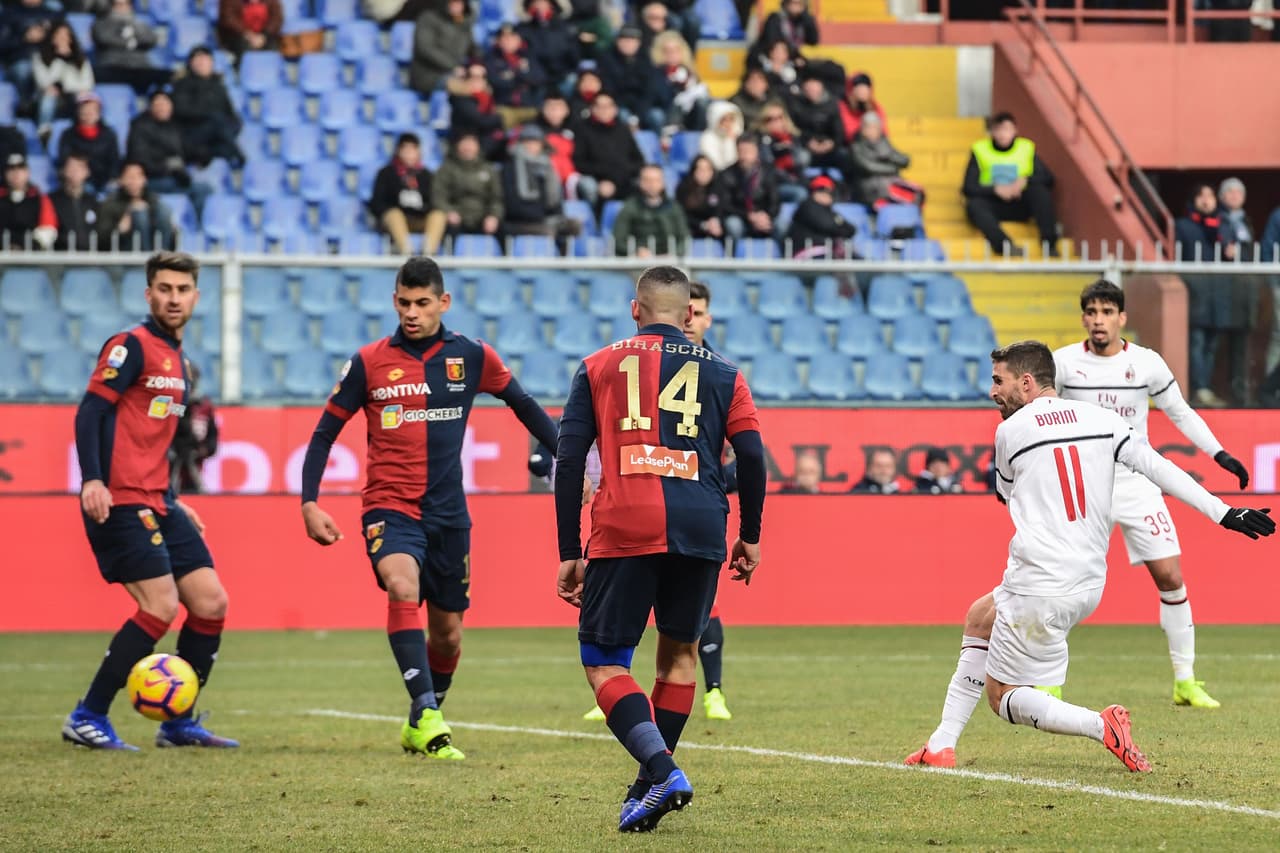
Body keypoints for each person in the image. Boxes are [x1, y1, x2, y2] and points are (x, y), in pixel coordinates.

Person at [903, 340, 1272, 772]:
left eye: (998, 381)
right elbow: (1158, 467)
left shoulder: (1009, 432)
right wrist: (1224, 512)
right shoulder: (1104, 420)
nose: (992, 392)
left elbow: (1004, 495)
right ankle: (941, 745)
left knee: (1002, 697)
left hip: (1039, 581)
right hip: (1089, 580)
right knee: (980, 617)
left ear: (1027, 383)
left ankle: (1102, 725)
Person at [301, 257, 559, 760]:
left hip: (449, 515)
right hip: (389, 506)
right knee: (402, 584)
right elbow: (322, 435)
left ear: (443, 302)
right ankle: (427, 712)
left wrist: (570, 459)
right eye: (403, 303)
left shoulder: (473, 356)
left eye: (422, 303)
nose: (412, 313)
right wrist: (310, 501)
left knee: (447, 632)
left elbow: (525, 406)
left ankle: (423, 714)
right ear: (394, 301)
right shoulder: (369, 362)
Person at [554, 265, 766, 832]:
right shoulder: (726, 372)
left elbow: (569, 460)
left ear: (635, 309)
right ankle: (647, 787)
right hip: (701, 524)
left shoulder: (597, 365)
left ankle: (661, 770)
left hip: (625, 523)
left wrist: (568, 548)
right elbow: (751, 455)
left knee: (603, 659)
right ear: (689, 313)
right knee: (678, 655)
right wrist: (751, 534)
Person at [64, 251, 238, 751]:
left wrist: (174, 498)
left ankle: (178, 722)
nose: (174, 298)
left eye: (183, 290)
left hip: (158, 499)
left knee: (210, 602)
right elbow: (91, 412)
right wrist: (93, 480)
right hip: (118, 499)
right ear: (149, 294)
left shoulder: (181, 362)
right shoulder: (130, 346)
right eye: (164, 289)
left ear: (196, 297)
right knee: (160, 606)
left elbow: (152, 438)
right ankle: (87, 714)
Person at [1054, 280, 1250, 705]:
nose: (1098, 320)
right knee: (1068, 581)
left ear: (1122, 318)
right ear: (1083, 318)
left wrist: (1219, 453)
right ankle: (1048, 680)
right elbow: (1040, 415)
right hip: (1085, 486)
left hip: (1136, 482)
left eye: (1107, 312)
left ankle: (1185, 681)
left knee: (1170, 576)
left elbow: (1180, 411)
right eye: (1091, 312)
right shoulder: (1064, 364)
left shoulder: (1146, 363)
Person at [962, 111, 1059, 257]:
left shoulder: (1026, 148)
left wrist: (1024, 181)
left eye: (1007, 129)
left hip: (1021, 203)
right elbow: (968, 187)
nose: (1003, 134)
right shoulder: (980, 150)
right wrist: (995, 190)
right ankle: (1005, 246)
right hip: (993, 204)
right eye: (999, 130)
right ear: (992, 132)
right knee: (974, 205)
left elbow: (1048, 178)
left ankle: (1049, 244)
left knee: (1040, 193)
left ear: (1015, 131)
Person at [1174, 183, 1230, 408]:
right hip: (1196, 292)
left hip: (1218, 294)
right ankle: (1199, 388)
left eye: (1210, 195)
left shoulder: (1223, 226)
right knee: (1196, 342)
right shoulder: (1183, 226)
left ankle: (1205, 386)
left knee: (1211, 345)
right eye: (1201, 195)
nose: (1206, 200)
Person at [126, 87, 212, 218]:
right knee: (201, 189)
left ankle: (198, 229)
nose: (162, 107)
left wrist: (202, 155)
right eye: (158, 104)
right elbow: (139, 158)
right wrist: (169, 167)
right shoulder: (140, 126)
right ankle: (199, 227)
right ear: (150, 107)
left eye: (165, 103)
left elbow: (186, 151)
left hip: (174, 176)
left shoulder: (174, 126)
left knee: (206, 187)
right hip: (150, 179)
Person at [1212, 176, 1259, 406]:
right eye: (1229, 192)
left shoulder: (1245, 222)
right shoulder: (1217, 219)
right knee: (1216, 344)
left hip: (1243, 293)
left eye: (1238, 193)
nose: (1234, 197)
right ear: (1222, 196)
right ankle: (1210, 392)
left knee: (1241, 346)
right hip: (1221, 290)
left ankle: (1239, 393)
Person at [424, 131, 503, 255]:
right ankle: (448, 263)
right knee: (449, 230)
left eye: (472, 143)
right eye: (465, 143)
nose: (468, 147)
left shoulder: (488, 169)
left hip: (482, 217)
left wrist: (494, 216)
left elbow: (496, 198)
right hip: (457, 216)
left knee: (503, 229)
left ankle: (506, 266)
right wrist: (449, 211)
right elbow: (438, 195)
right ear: (458, 146)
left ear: (477, 146)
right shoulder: (446, 169)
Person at [501, 124, 580, 246]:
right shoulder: (511, 167)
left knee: (574, 226)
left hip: (544, 218)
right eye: (528, 142)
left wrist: (557, 216)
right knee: (546, 231)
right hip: (519, 221)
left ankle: (567, 263)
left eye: (536, 142)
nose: (532, 146)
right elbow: (511, 202)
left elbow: (555, 199)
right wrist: (540, 216)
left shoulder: (548, 166)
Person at [170, 47, 244, 168]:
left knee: (228, 122)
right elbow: (181, 110)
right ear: (191, 64)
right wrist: (207, 113)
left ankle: (218, 152)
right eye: (197, 61)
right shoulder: (182, 85)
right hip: (193, 132)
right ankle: (236, 154)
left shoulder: (219, 86)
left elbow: (229, 112)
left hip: (218, 133)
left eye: (205, 60)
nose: (201, 63)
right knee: (216, 119)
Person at [572, 92, 645, 209]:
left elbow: (639, 160)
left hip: (625, 178)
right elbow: (579, 162)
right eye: (599, 106)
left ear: (615, 109)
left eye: (608, 106)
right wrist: (602, 178)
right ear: (592, 109)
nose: (604, 110)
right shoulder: (583, 130)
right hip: (599, 180)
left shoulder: (623, 130)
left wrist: (623, 174)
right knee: (592, 188)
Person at [369, 132, 434, 256]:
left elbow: (433, 201)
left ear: (418, 152)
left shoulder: (427, 176)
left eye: (413, 149)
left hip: (420, 218)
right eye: (406, 149)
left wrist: (421, 209)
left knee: (438, 215)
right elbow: (377, 203)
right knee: (394, 214)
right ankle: (407, 252)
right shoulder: (386, 173)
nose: (409, 154)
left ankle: (428, 253)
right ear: (398, 151)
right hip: (395, 220)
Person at [31, 21, 96, 140]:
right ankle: (44, 131)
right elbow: (43, 81)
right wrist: (59, 59)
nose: (62, 39)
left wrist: (68, 60)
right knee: (48, 97)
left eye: (65, 35)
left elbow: (88, 82)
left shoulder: (79, 58)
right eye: (58, 35)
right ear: (52, 37)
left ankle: (80, 130)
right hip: (51, 95)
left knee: (83, 97)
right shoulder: (41, 56)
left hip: (72, 94)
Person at [597, 25, 668, 133]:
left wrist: (637, 116)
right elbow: (608, 89)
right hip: (618, 104)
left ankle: (661, 146)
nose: (627, 44)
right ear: (617, 41)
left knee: (657, 116)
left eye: (632, 40)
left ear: (638, 43)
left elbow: (650, 91)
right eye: (624, 39)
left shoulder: (646, 60)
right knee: (622, 116)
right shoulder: (606, 59)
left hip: (642, 106)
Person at [92, 0, 171, 93]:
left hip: (139, 68)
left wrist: (132, 27)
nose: (123, 8)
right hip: (114, 67)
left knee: (169, 76)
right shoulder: (102, 23)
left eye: (127, 4)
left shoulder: (139, 24)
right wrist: (132, 42)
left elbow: (152, 39)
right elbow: (104, 39)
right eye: (119, 5)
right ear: (111, 6)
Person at [612, 163, 689, 257]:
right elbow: (618, 240)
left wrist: (673, 254)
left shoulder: (674, 207)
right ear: (640, 182)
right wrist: (637, 251)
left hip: (670, 262)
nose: (652, 184)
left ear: (663, 182)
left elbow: (684, 238)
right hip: (638, 263)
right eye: (647, 180)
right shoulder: (630, 206)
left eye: (656, 180)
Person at [96, 160, 174, 251]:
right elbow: (101, 240)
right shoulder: (110, 204)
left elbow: (170, 238)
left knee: (164, 211)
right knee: (139, 214)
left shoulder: (154, 201)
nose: (134, 181)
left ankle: (161, 259)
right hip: (125, 254)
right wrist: (120, 229)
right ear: (121, 180)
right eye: (130, 177)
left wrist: (171, 228)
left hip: (154, 250)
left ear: (144, 179)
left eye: (138, 176)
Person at [848, 111, 921, 210]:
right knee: (886, 187)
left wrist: (890, 155)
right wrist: (893, 168)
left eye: (876, 127)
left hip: (888, 183)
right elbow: (868, 167)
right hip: (867, 188)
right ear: (863, 129)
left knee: (916, 193)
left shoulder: (884, 144)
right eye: (869, 127)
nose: (872, 131)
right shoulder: (856, 147)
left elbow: (905, 161)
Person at [483, 22, 547, 128]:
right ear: (498, 41)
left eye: (512, 38)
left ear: (519, 40)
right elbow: (496, 82)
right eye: (504, 38)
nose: (508, 41)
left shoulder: (528, 57)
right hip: (504, 108)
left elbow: (539, 79)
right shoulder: (492, 60)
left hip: (529, 107)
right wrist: (522, 76)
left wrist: (519, 74)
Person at [57, 91, 122, 195]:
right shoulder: (68, 135)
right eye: (84, 109)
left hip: (105, 179)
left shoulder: (109, 134)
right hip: (81, 180)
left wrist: (112, 178)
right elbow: (65, 161)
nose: (88, 113)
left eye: (92, 109)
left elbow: (114, 160)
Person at [169, 359, 218, 494]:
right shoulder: (174, 404)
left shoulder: (205, 406)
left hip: (195, 463)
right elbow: (170, 427)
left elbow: (212, 434)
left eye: (193, 379)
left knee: (197, 492)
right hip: (173, 464)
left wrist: (206, 449)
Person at [721, 134, 781, 242]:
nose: (744, 156)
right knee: (733, 225)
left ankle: (782, 257)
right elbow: (726, 205)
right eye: (741, 151)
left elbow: (775, 200)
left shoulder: (768, 171)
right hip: (741, 217)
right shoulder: (727, 174)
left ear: (757, 152)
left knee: (782, 224)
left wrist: (766, 216)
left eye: (748, 151)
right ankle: (735, 256)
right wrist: (748, 216)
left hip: (764, 216)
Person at [410, 0, 475, 97]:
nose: (456, 5)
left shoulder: (464, 23)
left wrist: (477, 65)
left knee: (484, 85)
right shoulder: (428, 18)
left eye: (460, 2)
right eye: (453, 2)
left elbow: (473, 49)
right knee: (467, 89)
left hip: (457, 73)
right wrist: (453, 67)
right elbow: (425, 49)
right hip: (428, 75)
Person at [445, 62, 507, 162]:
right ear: (465, 78)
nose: (477, 80)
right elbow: (480, 121)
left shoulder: (488, 99)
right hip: (465, 144)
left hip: (484, 144)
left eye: (482, 76)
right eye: (472, 76)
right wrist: (500, 118)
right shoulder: (460, 98)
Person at [783, 174, 855, 258]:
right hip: (805, 253)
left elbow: (851, 229)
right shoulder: (807, 206)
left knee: (859, 261)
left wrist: (836, 224)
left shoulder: (831, 212)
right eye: (821, 190)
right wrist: (838, 225)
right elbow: (825, 225)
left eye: (829, 192)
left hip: (827, 252)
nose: (825, 194)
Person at [0, 151, 59, 250]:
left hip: (31, 256)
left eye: (20, 169)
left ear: (27, 172)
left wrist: (28, 246)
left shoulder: (39, 199)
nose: (16, 174)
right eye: (11, 169)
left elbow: (48, 228)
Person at [651, 30, 708, 132]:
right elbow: (658, 99)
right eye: (668, 51)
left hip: (691, 115)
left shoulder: (690, 72)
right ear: (660, 53)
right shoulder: (656, 73)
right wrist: (674, 86)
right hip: (667, 112)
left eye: (676, 50)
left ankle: (698, 135)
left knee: (703, 102)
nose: (672, 54)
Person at [517, 0, 580, 86]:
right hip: (537, 77)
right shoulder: (522, 29)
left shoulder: (565, 27)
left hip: (565, 75)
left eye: (543, 3)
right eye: (535, 3)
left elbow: (574, 53)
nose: (539, 7)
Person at [49, 152, 99, 251]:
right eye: (71, 167)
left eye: (80, 168)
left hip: (90, 258)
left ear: (87, 172)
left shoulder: (93, 201)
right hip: (60, 258)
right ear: (64, 170)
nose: (75, 172)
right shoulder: (51, 200)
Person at [675, 154, 727, 242]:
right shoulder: (683, 188)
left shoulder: (718, 186)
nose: (704, 173)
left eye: (708, 169)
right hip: (692, 228)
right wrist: (703, 225)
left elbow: (722, 209)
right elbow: (681, 214)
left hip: (714, 228)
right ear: (694, 171)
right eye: (700, 169)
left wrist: (716, 220)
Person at [216, 0, 283, 60]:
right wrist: (248, 35)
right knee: (246, 50)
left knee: (272, 50)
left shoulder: (272, 2)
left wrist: (264, 35)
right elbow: (228, 19)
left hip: (264, 36)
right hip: (238, 36)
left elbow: (276, 18)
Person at [838, 71, 887, 145]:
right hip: (851, 146)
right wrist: (864, 132)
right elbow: (846, 132)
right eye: (859, 88)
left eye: (865, 88)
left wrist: (875, 133)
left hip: (874, 144)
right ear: (851, 90)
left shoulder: (876, 107)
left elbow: (884, 131)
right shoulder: (843, 106)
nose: (862, 91)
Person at [698, 100, 742, 172]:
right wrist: (729, 141)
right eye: (724, 119)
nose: (728, 124)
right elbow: (720, 166)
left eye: (731, 119)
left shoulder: (739, 134)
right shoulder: (707, 138)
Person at [729, 67, 771, 132]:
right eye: (753, 81)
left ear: (766, 85)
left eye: (760, 81)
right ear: (745, 83)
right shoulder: (735, 101)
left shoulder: (772, 99)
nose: (756, 85)